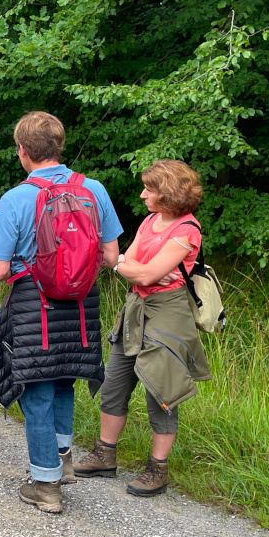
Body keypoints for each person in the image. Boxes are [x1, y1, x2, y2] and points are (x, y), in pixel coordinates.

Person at [0, 111, 123, 515]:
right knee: (64, 381)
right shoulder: (93, 189)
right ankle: (61, 460)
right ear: (59, 146)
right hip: (81, 304)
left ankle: (46, 485)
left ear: (23, 151)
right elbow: (111, 255)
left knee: (37, 391)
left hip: (35, 305)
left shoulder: (17, 197)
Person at [75, 159, 212, 497]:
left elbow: (146, 274)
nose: (142, 195)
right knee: (114, 384)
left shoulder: (187, 229)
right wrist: (129, 264)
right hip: (135, 309)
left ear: (168, 192)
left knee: (161, 393)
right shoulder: (152, 220)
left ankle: (157, 470)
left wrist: (133, 265)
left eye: (149, 189)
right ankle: (105, 455)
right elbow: (121, 261)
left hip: (168, 314)